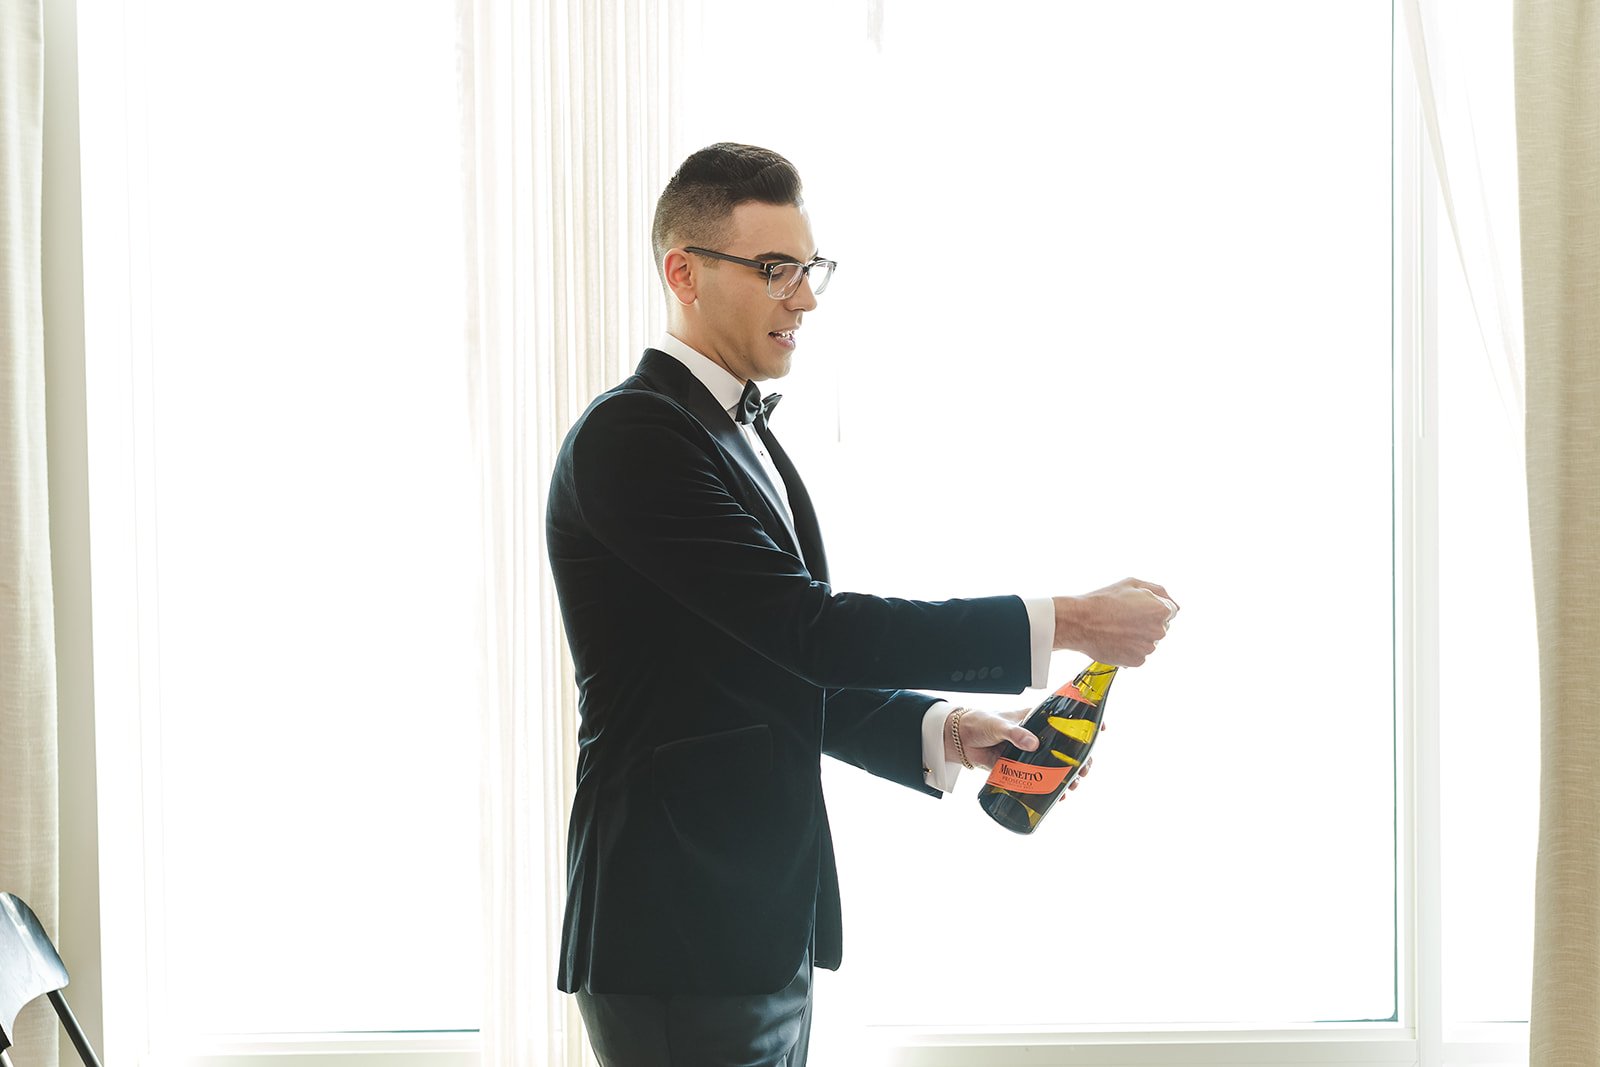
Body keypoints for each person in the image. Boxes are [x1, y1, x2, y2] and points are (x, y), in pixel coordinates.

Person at [545, 142, 1177, 1067]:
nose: (803, 298)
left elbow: (772, 664)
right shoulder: (633, 435)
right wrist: (1069, 619)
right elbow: (812, 629)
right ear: (683, 272)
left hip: (757, 924)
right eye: (774, 270)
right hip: (676, 927)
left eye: (808, 270)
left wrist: (945, 728)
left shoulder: (745, 438)